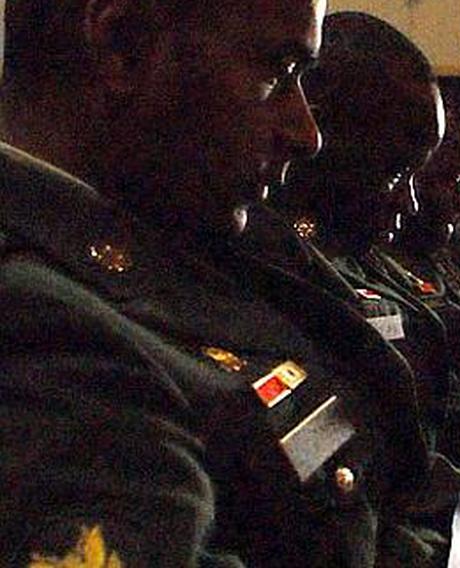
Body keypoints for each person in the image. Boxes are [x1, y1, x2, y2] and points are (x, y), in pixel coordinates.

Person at [0, 1, 435, 565]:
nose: (307, 134)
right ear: (123, 46)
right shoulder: (37, 330)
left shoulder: (169, 240)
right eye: (277, 74)